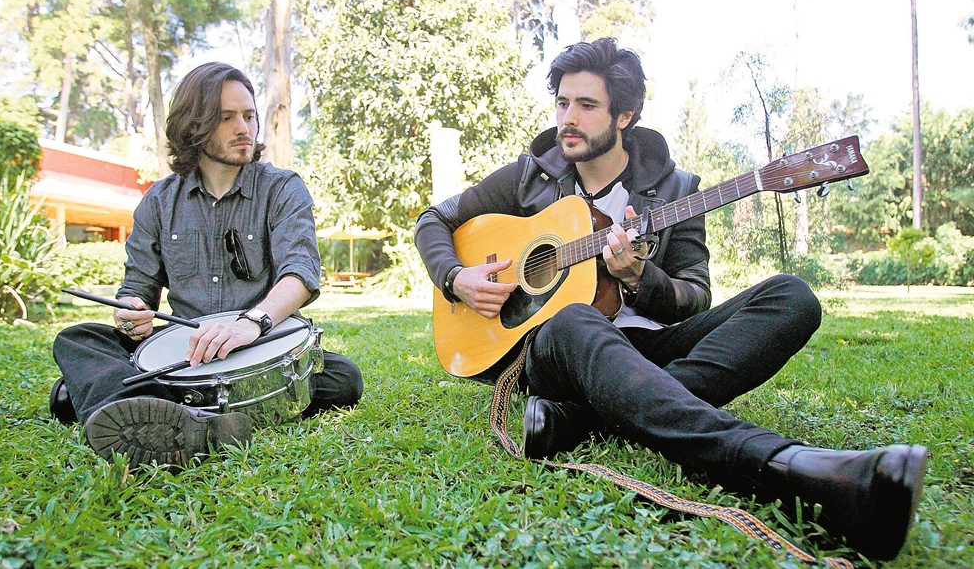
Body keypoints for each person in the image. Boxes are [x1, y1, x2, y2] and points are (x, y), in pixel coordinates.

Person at [414, 38, 926, 561]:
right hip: (557, 351)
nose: (568, 118)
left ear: (625, 115)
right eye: (563, 103)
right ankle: (787, 468)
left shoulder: (677, 190)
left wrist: (640, 278)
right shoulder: (529, 176)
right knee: (573, 317)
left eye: (587, 105)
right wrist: (456, 277)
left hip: (647, 350)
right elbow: (434, 219)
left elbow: (694, 296)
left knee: (791, 296)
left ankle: (587, 420)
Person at [52, 62, 363, 467]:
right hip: (186, 349)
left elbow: (300, 272)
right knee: (77, 339)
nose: (244, 128)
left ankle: (146, 406)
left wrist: (251, 323)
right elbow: (136, 290)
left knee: (343, 379)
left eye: (249, 115)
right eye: (226, 117)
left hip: (262, 342)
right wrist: (130, 313)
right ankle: (189, 419)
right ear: (193, 125)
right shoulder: (159, 201)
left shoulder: (282, 188)